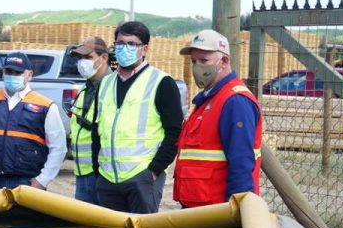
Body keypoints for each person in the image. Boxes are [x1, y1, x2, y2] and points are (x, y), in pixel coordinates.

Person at [92, 21, 183, 214]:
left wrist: (154, 171)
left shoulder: (162, 82)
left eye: (131, 44)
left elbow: (175, 132)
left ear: (145, 49)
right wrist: (97, 170)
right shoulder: (105, 84)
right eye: (120, 43)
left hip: (142, 178)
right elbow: (96, 130)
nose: (124, 48)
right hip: (107, 179)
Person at [174, 29, 262, 207]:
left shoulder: (234, 101)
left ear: (224, 61)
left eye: (204, 60)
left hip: (216, 209)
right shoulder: (208, 99)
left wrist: (236, 210)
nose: (197, 67)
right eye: (194, 61)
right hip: (198, 206)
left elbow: (241, 163)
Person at [0, 52, 67, 190]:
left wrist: (43, 180)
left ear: (29, 75)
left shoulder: (45, 105)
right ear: (3, 73)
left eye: (18, 72)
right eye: (8, 71)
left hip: (28, 182)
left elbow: (58, 147)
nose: (12, 76)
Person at [69, 37, 112, 204]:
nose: (82, 63)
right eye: (80, 58)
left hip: (103, 173)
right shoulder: (85, 88)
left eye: (87, 57)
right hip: (82, 172)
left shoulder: (113, 89)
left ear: (104, 58)